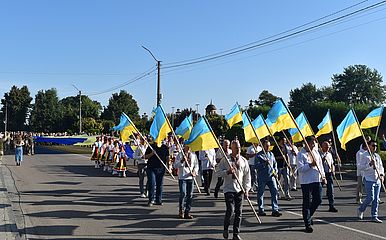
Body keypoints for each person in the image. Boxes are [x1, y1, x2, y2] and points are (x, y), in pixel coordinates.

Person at [216, 140, 251, 240]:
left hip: (239, 190)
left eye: (239, 148)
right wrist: (227, 172)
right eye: (236, 148)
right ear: (232, 148)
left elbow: (247, 176)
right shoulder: (226, 160)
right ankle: (226, 228)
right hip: (229, 189)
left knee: (239, 212)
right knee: (230, 210)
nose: (238, 150)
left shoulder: (243, 161)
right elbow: (218, 172)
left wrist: (247, 189)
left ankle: (236, 234)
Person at [297, 136, 326, 233]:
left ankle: (309, 215)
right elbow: (300, 169)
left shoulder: (316, 152)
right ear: (306, 143)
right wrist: (310, 165)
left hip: (316, 179)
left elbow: (320, 165)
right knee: (307, 202)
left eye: (314, 143)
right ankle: (307, 224)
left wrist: (323, 176)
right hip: (306, 181)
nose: (313, 145)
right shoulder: (301, 154)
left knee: (318, 200)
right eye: (312, 143)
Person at [357, 140, 384, 223]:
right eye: (373, 145)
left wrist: (382, 175)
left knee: (376, 199)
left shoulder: (377, 156)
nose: (375, 147)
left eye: (376, 145)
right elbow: (360, 167)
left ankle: (374, 216)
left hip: (377, 179)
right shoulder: (363, 155)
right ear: (368, 146)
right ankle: (361, 209)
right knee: (370, 197)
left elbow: (381, 167)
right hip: (368, 179)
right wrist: (370, 164)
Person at [255, 139, 282, 217]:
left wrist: (275, 171)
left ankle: (275, 210)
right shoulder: (259, 155)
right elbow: (256, 166)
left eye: (269, 146)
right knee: (260, 193)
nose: (268, 147)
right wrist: (264, 164)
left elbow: (275, 164)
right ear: (263, 146)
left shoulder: (271, 154)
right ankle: (261, 209)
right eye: (266, 146)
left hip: (271, 177)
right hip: (262, 177)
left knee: (274, 192)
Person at [174, 145, 199, 219]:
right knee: (183, 193)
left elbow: (196, 165)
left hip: (190, 177)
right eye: (187, 146)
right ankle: (181, 210)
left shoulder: (194, 155)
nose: (188, 148)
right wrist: (182, 161)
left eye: (189, 146)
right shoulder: (180, 155)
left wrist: (195, 171)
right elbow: (175, 166)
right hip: (182, 177)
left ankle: (187, 211)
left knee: (190, 195)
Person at [144, 140, 169, 206]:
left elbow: (167, 158)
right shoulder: (151, 146)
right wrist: (152, 154)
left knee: (160, 185)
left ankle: (158, 200)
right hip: (151, 168)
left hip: (161, 168)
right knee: (152, 183)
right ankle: (151, 199)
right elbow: (145, 157)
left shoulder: (165, 147)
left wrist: (169, 167)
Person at [319, 141, 338, 212]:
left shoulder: (329, 154)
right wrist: (322, 159)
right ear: (322, 147)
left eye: (328, 147)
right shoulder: (319, 154)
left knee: (331, 190)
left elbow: (332, 163)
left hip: (329, 173)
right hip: (321, 174)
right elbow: (317, 163)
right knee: (319, 189)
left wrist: (333, 170)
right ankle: (317, 201)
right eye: (326, 147)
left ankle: (331, 205)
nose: (327, 148)